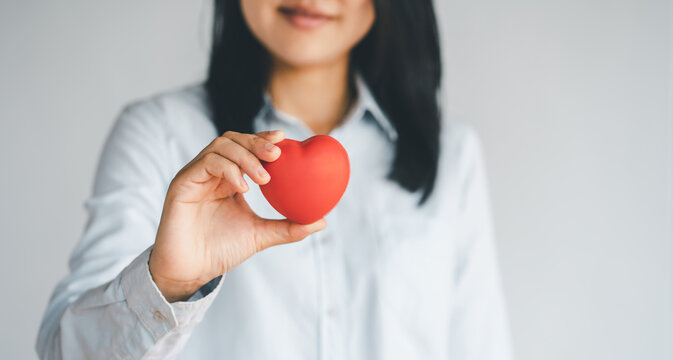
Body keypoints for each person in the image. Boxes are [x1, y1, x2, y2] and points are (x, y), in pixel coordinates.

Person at [36, 0, 512, 359]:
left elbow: (480, 346)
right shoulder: (158, 135)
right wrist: (167, 283)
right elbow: (63, 351)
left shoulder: (452, 153)